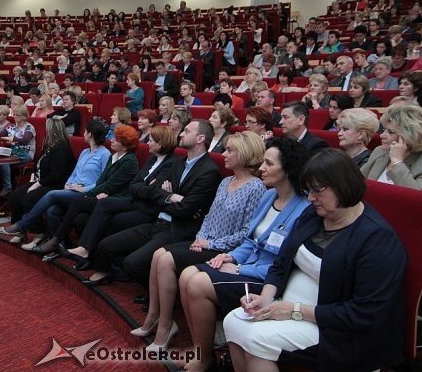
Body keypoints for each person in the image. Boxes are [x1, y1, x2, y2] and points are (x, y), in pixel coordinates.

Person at [224, 149, 407, 372]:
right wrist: (266, 297)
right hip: (291, 310)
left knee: (254, 337)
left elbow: (364, 314)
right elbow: (281, 262)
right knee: (234, 321)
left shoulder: (377, 239)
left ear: (343, 186)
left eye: (317, 191)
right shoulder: (314, 215)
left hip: (339, 331)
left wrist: (294, 310)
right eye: (308, 190)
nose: (310, 198)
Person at [178, 137, 311, 371]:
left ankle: (205, 358)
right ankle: (203, 349)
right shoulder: (269, 196)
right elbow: (250, 240)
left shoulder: (303, 208)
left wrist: (241, 269)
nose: (261, 168)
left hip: (267, 279)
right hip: (246, 266)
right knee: (187, 274)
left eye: (269, 164)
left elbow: (283, 261)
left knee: (197, 283)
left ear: (288, 169)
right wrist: (232, 257)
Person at [132, 132, 266, 352]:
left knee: (166, 260)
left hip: (225, 250)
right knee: (158, 255)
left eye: (230, 150)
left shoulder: (256, 188)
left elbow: (246, 233)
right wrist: (199, 238)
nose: (223, 154)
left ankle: (165, 326)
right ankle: (155, 317)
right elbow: (209, 217)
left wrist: (210, 245)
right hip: (205, 242)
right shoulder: (225, 182)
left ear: (245, 153)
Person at [84, 120, 222, 287]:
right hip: (157, 221)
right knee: (106, 246)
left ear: (200, 138)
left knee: (132, 263)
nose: (181, 134)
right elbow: (155, 192)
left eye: (186, 131)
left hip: (176, 229)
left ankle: (156, 290)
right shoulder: (178, 162)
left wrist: (165, 196)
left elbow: (185, 209)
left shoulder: (209, 171)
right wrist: (170, 197)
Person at [58, 125, 178, 266]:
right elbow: (134, 185)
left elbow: (153, 192)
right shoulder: (152, 159)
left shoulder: (171, 163)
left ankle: (94, 258)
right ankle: (86, 252)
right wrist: (145, 186)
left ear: (160, 143)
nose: (147, 143)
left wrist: (143, 187)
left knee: (104, 217)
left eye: (151, 140)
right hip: (134, 202)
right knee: (84, 216)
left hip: (146, 210)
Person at [30, 125, 140, 255]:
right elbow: (102, 181)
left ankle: (54, 240)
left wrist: (88, 194)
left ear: (125, 145)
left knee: (68, 199)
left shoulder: (129, 161)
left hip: (118, 199)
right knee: (75, 217)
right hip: (102, 195)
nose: (112, 140)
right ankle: (73, 249)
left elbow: (111, 185)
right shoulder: (114, 156)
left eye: (116, 139)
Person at [0, 121, 111, 238]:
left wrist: (84, 188)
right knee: (47, 209)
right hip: (70, 188)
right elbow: (74, 172)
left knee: (46, 196)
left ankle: (22, 226)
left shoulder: (105, 154)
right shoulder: (85, 152)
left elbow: (104, 180)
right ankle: (54, 241)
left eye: (86, 131)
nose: (84, 133)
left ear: (90, 134)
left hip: (85, 192)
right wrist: (68, 184)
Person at [6, 119, 76, 245]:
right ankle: (20, 232)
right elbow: (37, 163)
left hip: (54, 185)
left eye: (47, 128)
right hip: (41, 180)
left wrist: (38, 184)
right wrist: (33, 178)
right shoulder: (49, 145)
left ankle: (40, 232)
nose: (45, 130)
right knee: (14, 196)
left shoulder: (61, 149)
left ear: (52, 131)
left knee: (28, 199)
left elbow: (56, 176)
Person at [362, 104, 422, 192]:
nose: (382, 135)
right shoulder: (380, 151)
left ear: (409, 136)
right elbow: (357, 181)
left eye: (390, 132)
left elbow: (418, 199)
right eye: (384, 129)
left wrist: (397, 162)